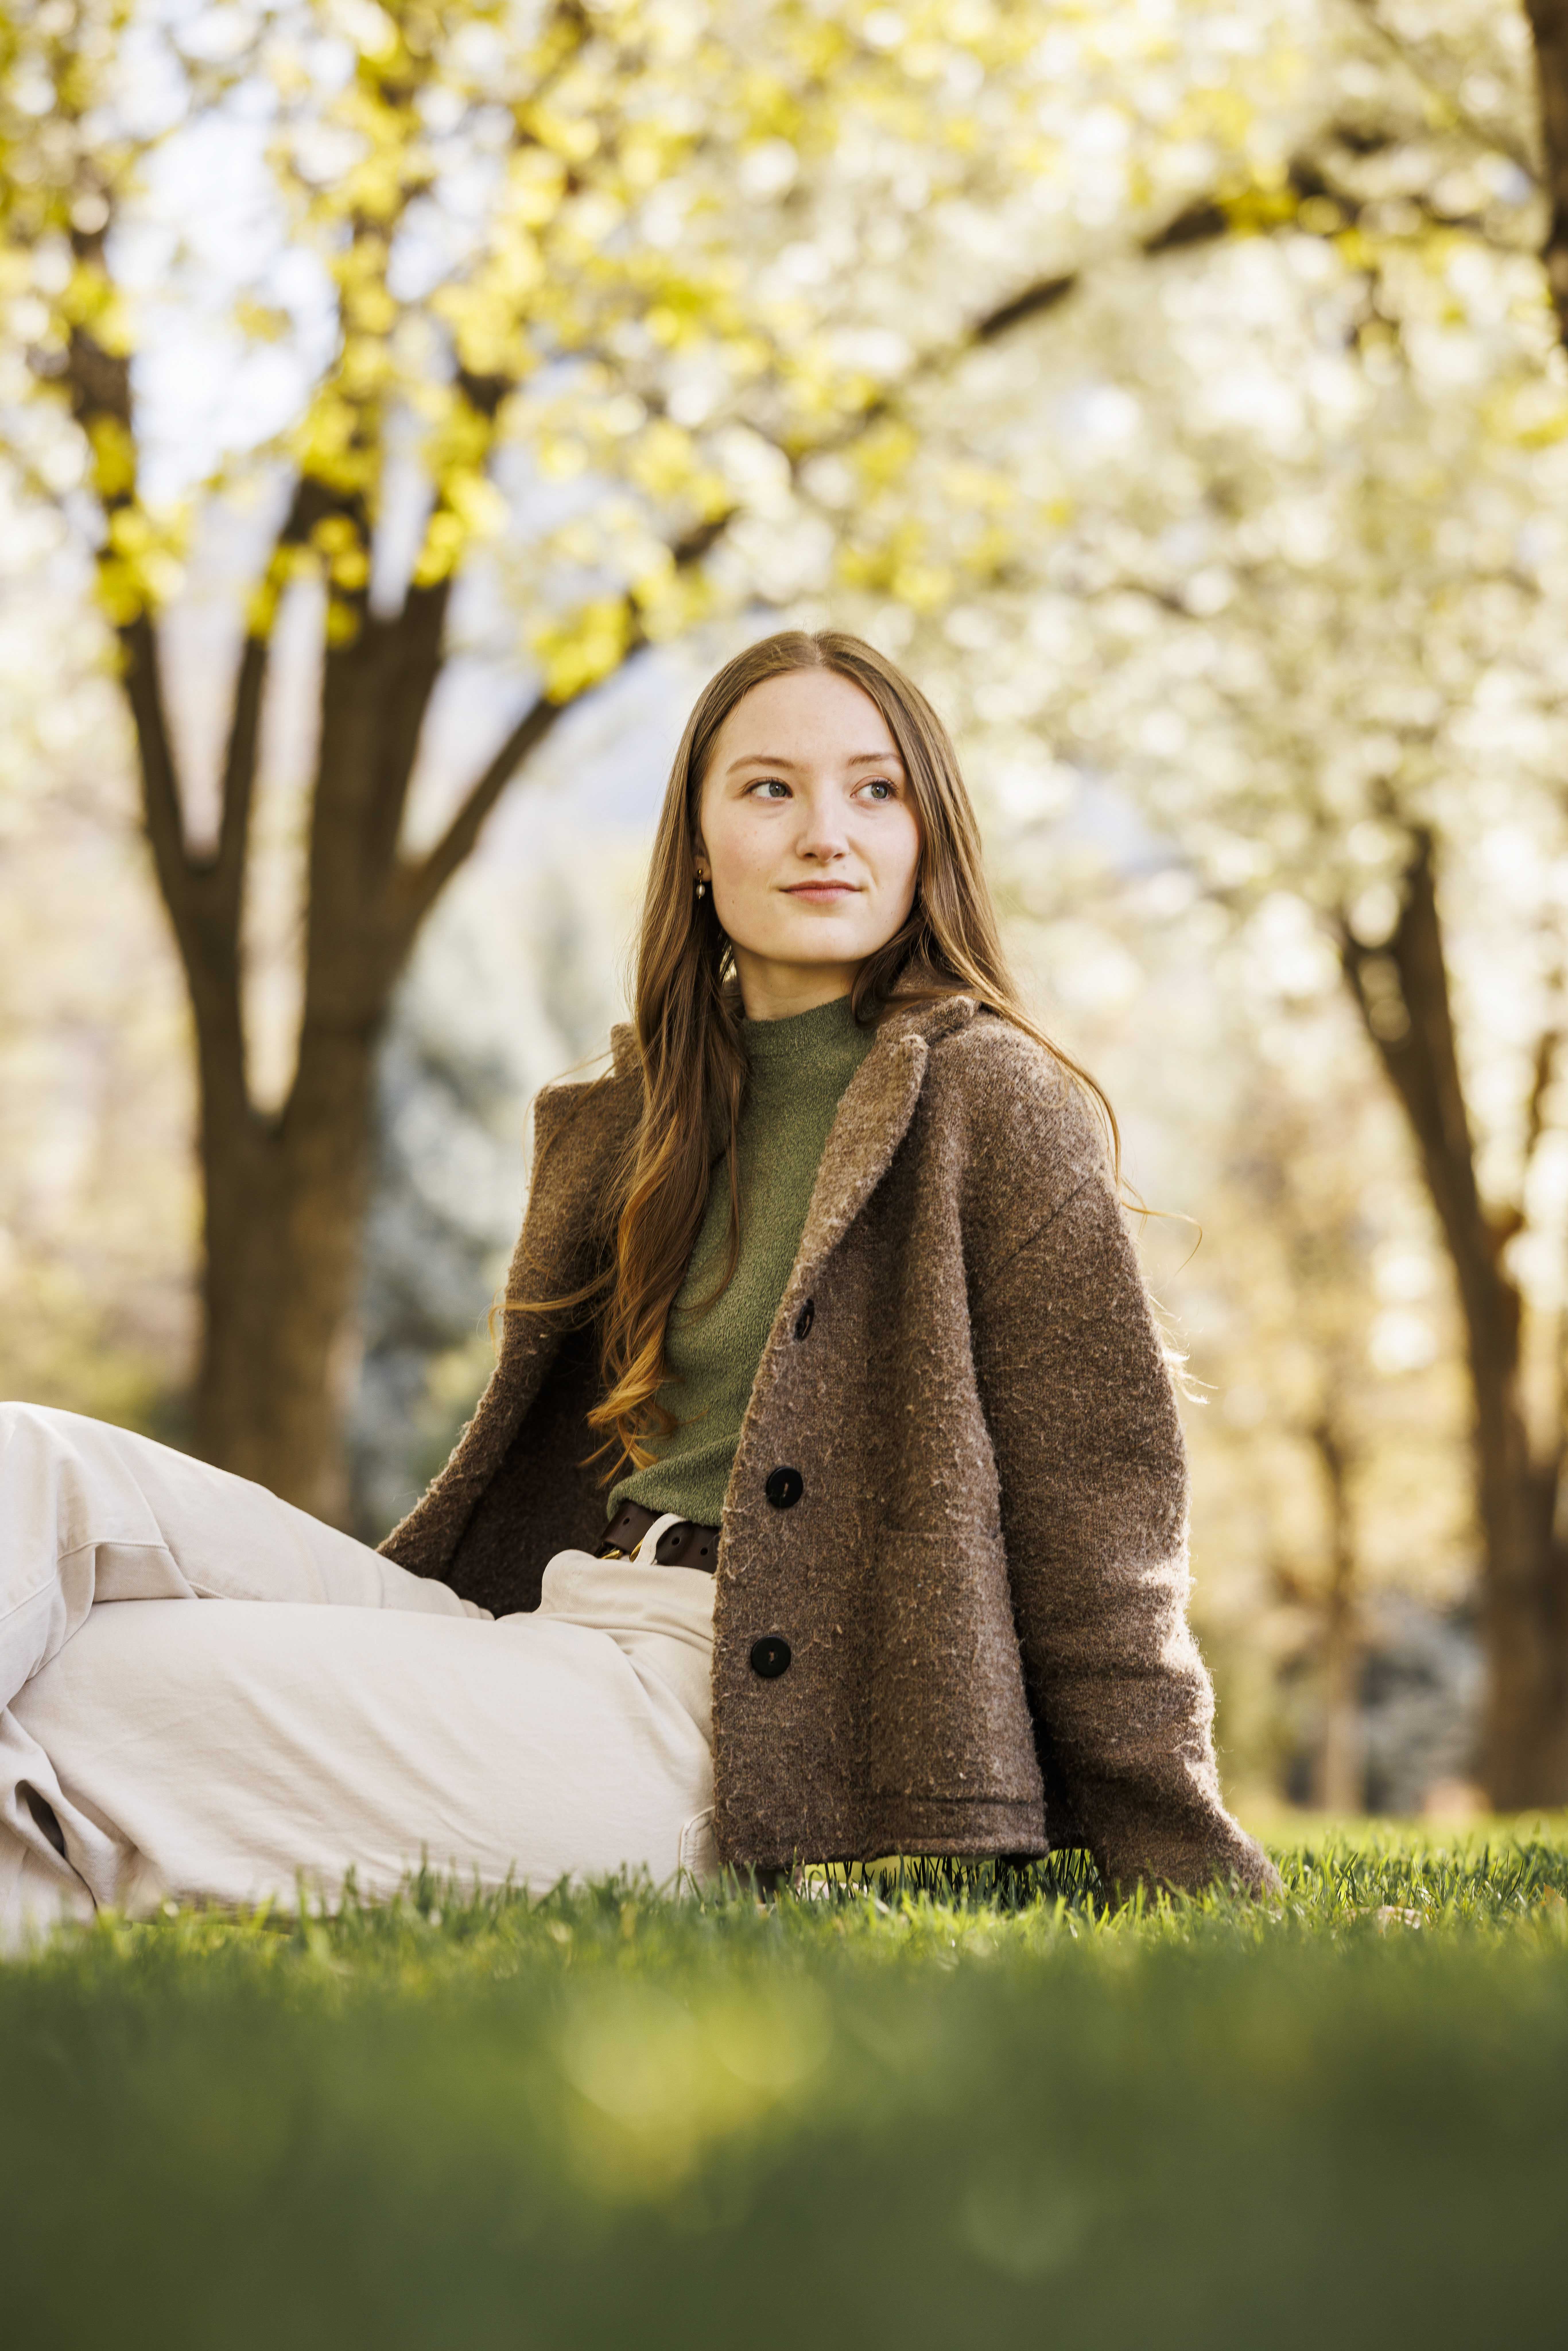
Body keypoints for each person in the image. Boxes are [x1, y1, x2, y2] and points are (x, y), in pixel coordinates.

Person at [0, 628, 1273, 1946]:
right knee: (29, 1476)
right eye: (770, 787)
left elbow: (1100, 1533)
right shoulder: (635, 1119)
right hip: (546, 1629)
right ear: (701, 846)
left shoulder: (990, 1100)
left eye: (875, 789)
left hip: (711, 1727)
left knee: (93, 1696)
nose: (825, 832)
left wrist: (1182, 1857)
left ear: (927, 836)